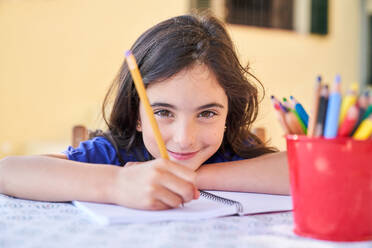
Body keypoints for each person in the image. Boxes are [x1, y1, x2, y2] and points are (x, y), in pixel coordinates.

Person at [0, 13, 289, 210]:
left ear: (229, 114)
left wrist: (189, 178)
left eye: (207, 113)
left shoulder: (233, 150)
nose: (184, 139)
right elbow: (8, 171)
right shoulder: (114, 155)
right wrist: (117, 183)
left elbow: (300, 172)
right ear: (137, 115)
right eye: (163, 112)